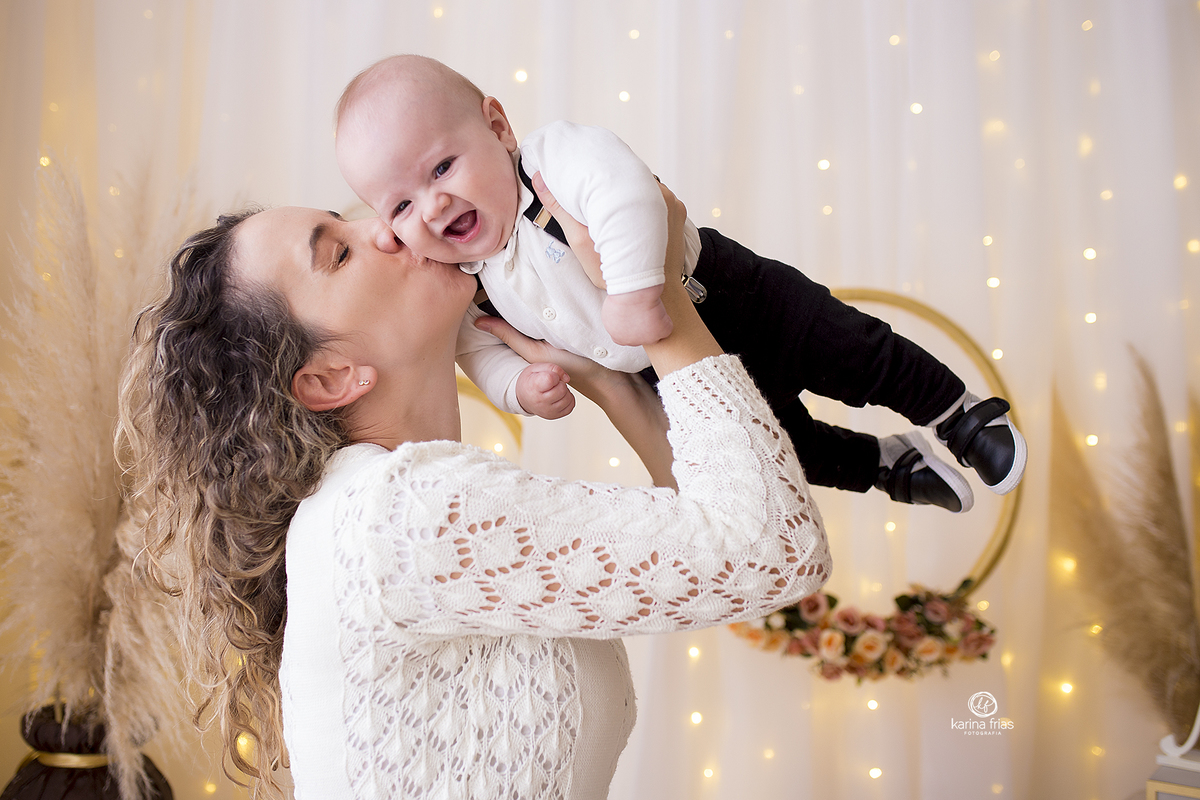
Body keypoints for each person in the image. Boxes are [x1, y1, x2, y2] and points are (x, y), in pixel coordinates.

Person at [116, 179, 831, 798]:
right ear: (330, 378)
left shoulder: (377, 504)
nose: (386, 227)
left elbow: (716, 531)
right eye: (339, 253)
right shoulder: (403, 509)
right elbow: (773, 550)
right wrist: (655, 291)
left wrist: (611, 383)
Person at [333, 54, 1029, 515]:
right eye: (401, 206)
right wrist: (519, 387)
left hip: (730, 295)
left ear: (497, 127)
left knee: (855, 352)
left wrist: (637, 290)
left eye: (442, 168)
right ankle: (883, 465)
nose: (432, 207)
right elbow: (478, 351)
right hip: (668, 374)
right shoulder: (462, 283)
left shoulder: (549, 162)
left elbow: (629, 194)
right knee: (777, 449)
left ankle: (960, 415)